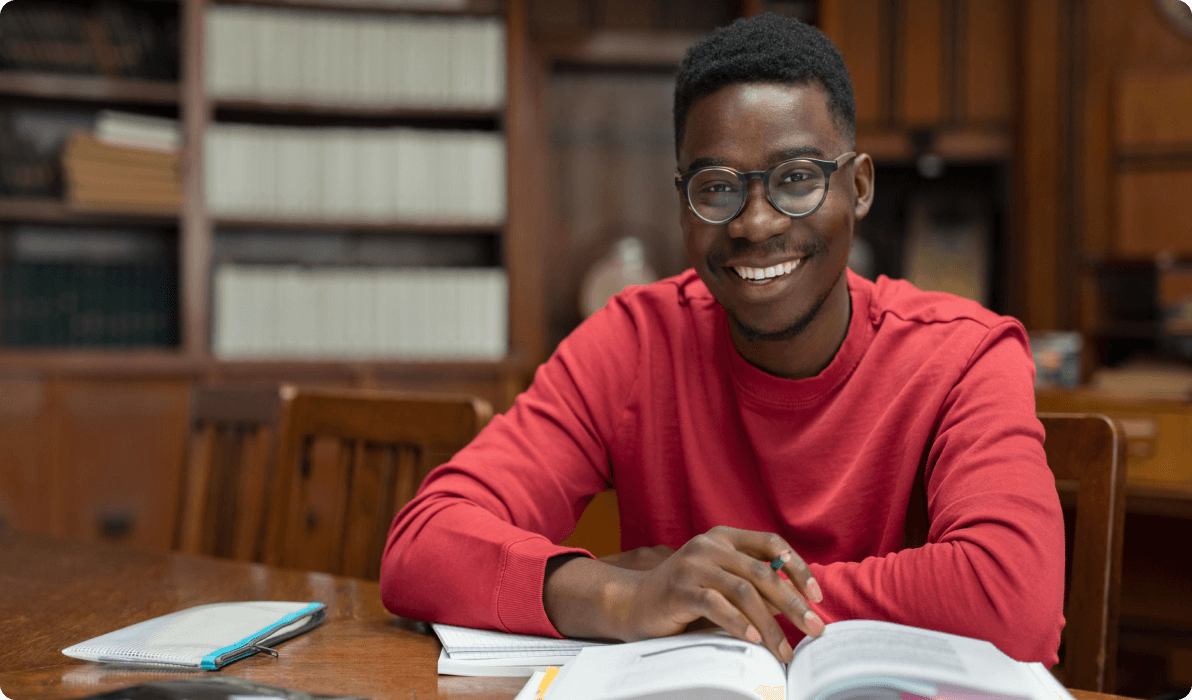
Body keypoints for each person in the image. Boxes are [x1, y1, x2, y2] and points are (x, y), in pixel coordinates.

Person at [380, 13, 1064, 667]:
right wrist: (623, 595)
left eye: (796, 179)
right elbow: (423, 545)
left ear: (857, 188)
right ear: (683, 207)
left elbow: (1013, 599)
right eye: (718, 188)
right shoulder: (635, 341)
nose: (756, 222)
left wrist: (721, 604)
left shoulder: (965, 354)